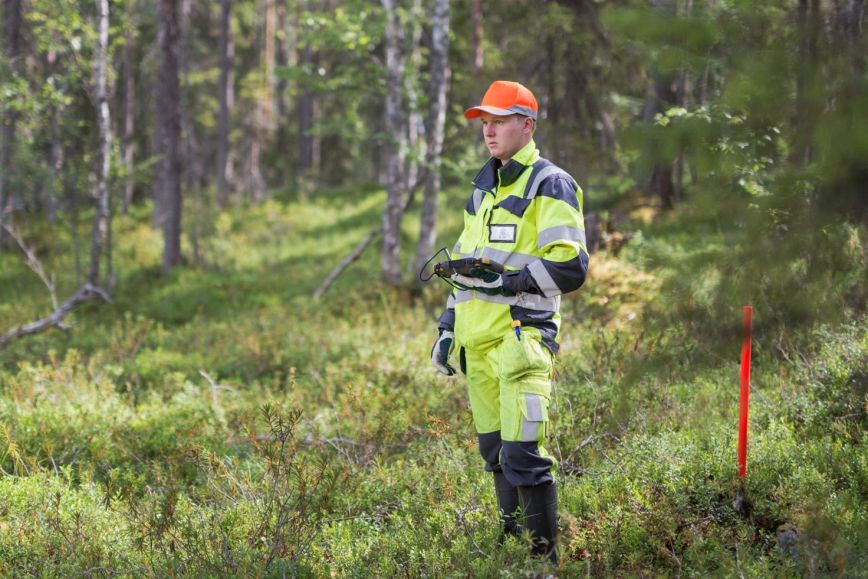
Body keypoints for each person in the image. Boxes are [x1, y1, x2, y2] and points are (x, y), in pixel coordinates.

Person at [430, 80, 589, 564]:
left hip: (521, 339)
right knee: (495, 454)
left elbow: (571, 266)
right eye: (485, 122)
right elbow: (465, 263)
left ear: (527, 124)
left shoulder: (550, 182)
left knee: (524, 456)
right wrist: (446, 328)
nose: (489, 130)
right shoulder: (482, 189)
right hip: (476, 344)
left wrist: (512, 282)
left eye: (499, 121)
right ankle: (510, 548)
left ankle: (544, 560)